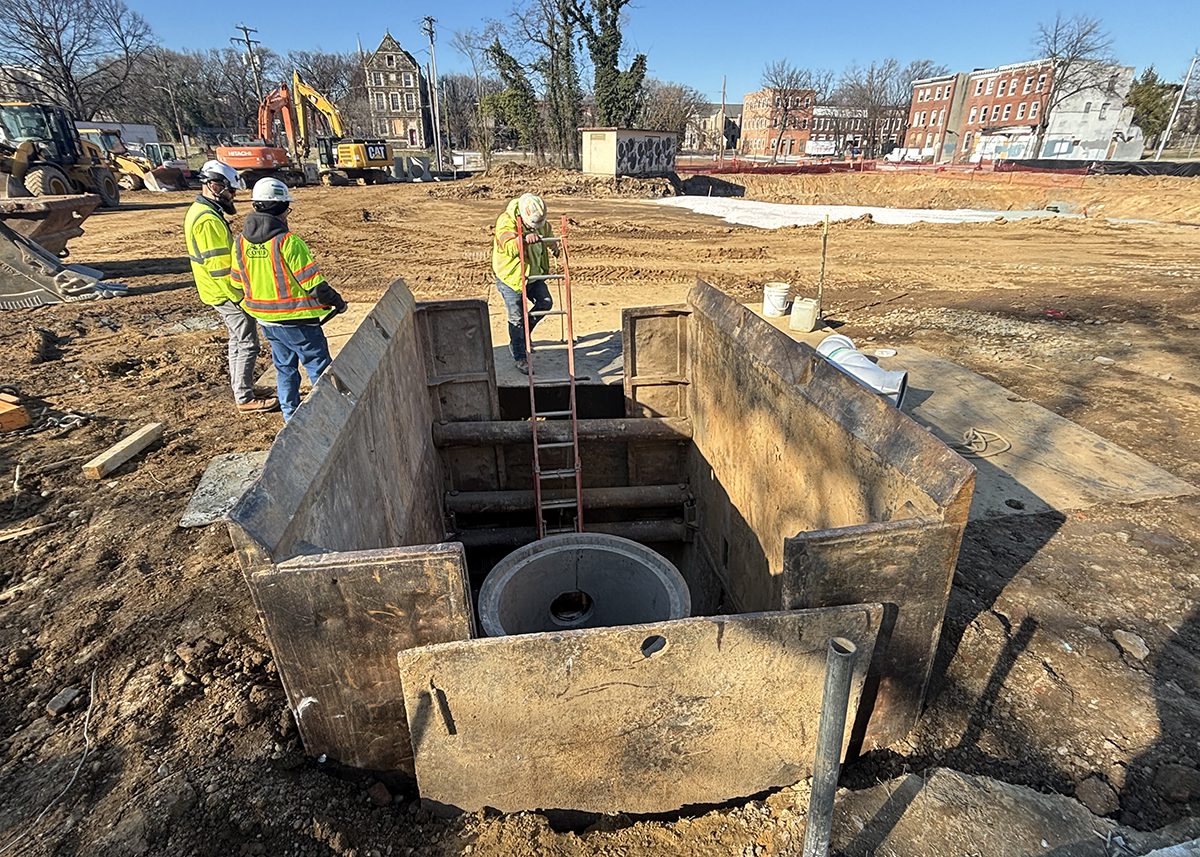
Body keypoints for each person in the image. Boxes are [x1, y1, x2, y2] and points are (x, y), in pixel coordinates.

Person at [229, 178, 346, 422]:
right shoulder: (287, 242)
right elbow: (314, 285)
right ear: (282, 209)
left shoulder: (240, 242)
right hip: (298, 321)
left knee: (284, 368)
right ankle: (331, 416)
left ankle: (290, 415)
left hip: (267, 321)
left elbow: (237, 284)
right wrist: (337, 301)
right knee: (319, 368)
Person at [184, 160, 278, 413]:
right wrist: (240, 298)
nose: (233, 196)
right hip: (224, 293)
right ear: (215, 186)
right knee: (247, 343)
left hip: (217, 290)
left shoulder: (202, 212)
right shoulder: (207, 221)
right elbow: (220, 269)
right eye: (231, 190)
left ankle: (243, 388)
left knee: (237, 341)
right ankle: (245, 398)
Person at [491, 193, 558, 374]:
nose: (536, 228)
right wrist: (523, 241)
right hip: (511, 278)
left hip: (533, 275)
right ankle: (519, 355)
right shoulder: (506, 221)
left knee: (545, 303)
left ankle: (523, 335)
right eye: (532, 226)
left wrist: (555, 247)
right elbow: (508, 246)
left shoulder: (539, 223)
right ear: (523, 216)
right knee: (516, 319)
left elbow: (548, 232)